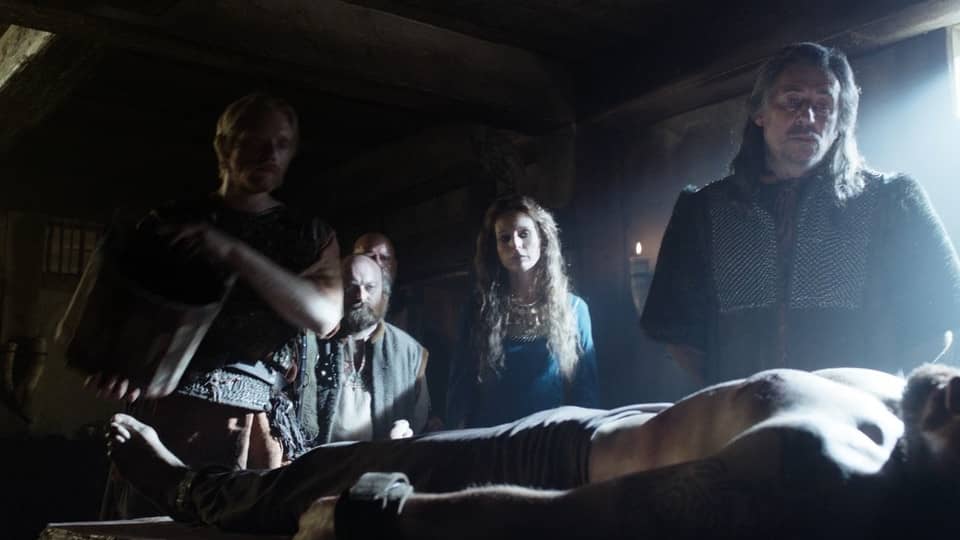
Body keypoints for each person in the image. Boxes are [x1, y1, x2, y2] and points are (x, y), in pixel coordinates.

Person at [107, 362, 960, 538]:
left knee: (333, 477)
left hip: (556, 469)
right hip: (594, 424)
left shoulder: (824, 470)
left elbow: (578, 524)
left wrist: (387, 515)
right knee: (333, 454)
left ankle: (187, 490)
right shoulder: (916, 394)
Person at [641, 42, 960, 385]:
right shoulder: (704, 211)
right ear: (760, 113)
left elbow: (937, 322)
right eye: (792, 101)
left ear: (840, 121)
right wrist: (737, 397)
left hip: (856, 412)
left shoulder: (892, 202)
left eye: (823, 106)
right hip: (744, 412)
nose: (807, 118)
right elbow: (679, 335)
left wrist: (877, 396)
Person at [91, 93, 343, 472]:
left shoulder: (308, 235)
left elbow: (324, 316)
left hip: (255, 417)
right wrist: (121, 360)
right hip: (167, 411)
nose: (269, 154)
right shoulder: (173, 221)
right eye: (255, 141)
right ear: (224, 146)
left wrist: (231, 251)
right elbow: (126, 308)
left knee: (239, 508)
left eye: (282, 144)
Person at [446, 195, 599, 428]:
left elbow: (586, 393)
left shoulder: (575, 310)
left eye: (524, 234)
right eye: (504, 238)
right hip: (491, 440)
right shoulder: (478, 311)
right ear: (495, 248)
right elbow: (459, 393)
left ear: (542, 238)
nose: (515, 245)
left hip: (549, 439)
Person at [288, 254, 429, 453]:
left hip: (380, 464)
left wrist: (403, 435)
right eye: (351, 287)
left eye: (369, 287)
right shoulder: (309, 339)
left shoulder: (410, 352)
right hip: (317, 464)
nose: (360, 296)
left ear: (384, 293)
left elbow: (418, 420)